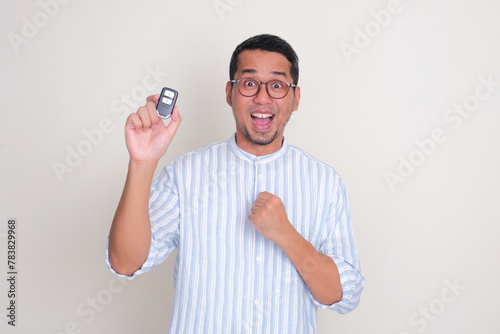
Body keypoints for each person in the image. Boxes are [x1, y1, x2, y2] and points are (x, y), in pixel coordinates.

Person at [106, 34, 364, 333]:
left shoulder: (325, 183)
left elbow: (343, 296)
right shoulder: (185, 174)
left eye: (277, 85)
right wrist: (142, 162)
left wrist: (286, 235)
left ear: (295, 99)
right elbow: (125, 262)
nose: (263, 98)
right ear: (230, 93)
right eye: (249, 83)